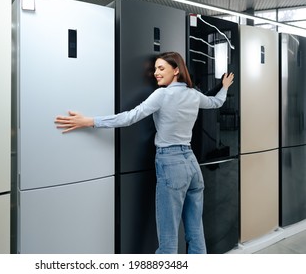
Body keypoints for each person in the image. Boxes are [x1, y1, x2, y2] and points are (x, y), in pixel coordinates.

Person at [55, 52, 234, 254]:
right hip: (192, 165)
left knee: (168, 243)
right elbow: (215, 103)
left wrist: (89, 121)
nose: (155, 73)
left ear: (176, 70)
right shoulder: (193, 94)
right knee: (196, 235)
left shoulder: (162, 95)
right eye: (155, 69)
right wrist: (224, 87)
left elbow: (130, 117)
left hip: (172, 164)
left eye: (161, 68)